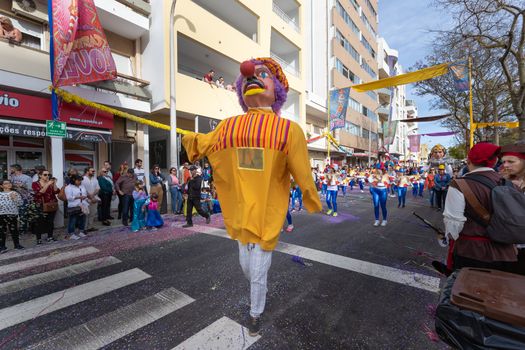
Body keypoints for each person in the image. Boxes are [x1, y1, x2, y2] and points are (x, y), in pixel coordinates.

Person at [182, 57, 321, 336]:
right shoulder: (229, 126)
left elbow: (302, 169)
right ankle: (259, 288)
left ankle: (255, 313)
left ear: (278, 90)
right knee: (248, 267)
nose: (251, 77)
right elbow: (203, 144)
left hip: (267, 213)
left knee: (257, 270)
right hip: (241, 212)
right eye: (247, 76)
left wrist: (309, 194)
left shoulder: (289, 130)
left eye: (262, 74)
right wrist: (188, 136)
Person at [441, 142, 517, 273]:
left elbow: (454, 227)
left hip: (471, 253)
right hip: (506, 253)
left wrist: (446, 237)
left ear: (469, 161)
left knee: (467, 292)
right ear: (494, 162)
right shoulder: (510, 183)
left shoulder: (459, 184)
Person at [500, 142, 525, 275]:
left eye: (511, 161)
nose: (506, 165)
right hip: (508, 248)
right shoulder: (505, 182)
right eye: (504, 162)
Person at [32, 169, 60, 244]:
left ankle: (50, 237)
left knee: (50, 222)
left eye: (48, 175)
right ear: (40, 175)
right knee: (39, 222)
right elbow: (39, 193)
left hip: (51, 205)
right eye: (45, 175)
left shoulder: (50, 183)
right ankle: (39, 239)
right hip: (40, 205)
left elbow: (56, 191)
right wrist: (47, 184)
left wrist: (54, 183)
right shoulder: (35, 184)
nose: (47, 176)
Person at [0, 179, 24, 252]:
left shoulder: (14, 193)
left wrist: (15, 198)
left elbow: (20, 203)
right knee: (1, 230)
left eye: (9, 183)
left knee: (14, 230)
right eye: (6, 183)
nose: (9, 184)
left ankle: (17, 245)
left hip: (12, 214)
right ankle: (2, 246)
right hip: (1, 214)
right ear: (1, 186)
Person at [9, 164, 33, 234]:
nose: (10, 170)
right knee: (16, 214)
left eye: (11, 169)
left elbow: (30, 188)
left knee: (23, 214)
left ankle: (23, 229)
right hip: (15, 198)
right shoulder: (12, 177)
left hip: (24, 198)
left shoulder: (27, 178)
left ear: (15, 169)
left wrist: (22, 186)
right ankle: (16, 229)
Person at [65, 175, 88, 240]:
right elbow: (68, 198)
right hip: (73, 206)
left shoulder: (82, 186)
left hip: (82, 205)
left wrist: (85, 198)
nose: (80, 182)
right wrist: (78, 197)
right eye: (78, 180)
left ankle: (81, 231)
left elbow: (85, 194)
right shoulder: (68, 187)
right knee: (73, 220)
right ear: (73, 180)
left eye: (80, 180)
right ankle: (71, 233)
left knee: (82, 219)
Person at [81, 167, 100, 232]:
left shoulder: (95, 179)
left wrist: (93, 196)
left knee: (92, 214)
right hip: (86, 199)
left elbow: (98, 188)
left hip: (94, 198)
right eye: (92, 171)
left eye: (94, 171)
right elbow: (83, 189)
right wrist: (91, 197)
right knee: (86, 214)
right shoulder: (82, 179)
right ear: (87, 171)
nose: (94, 172)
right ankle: (84, 228)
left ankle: (90, 227)